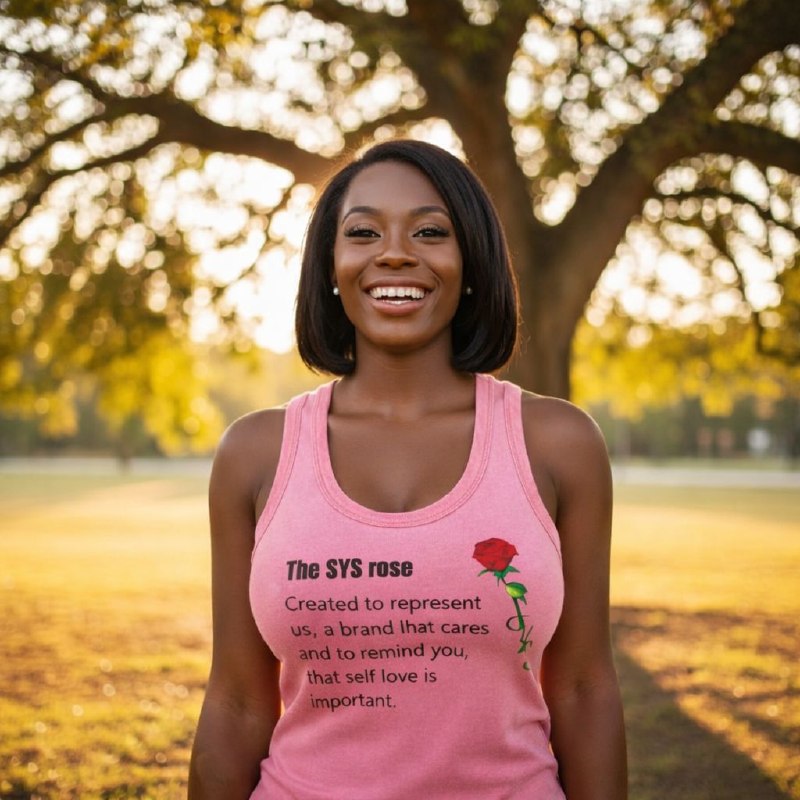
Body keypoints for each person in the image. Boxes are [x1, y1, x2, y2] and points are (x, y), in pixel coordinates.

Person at [188, 139, 627, 799]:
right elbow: (237, 702)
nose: (395, 252)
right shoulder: (255, 454)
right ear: (331, 266)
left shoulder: (559, 444)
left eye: (429, 231)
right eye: (363, 232)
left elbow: (585, 687)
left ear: (471, 261)